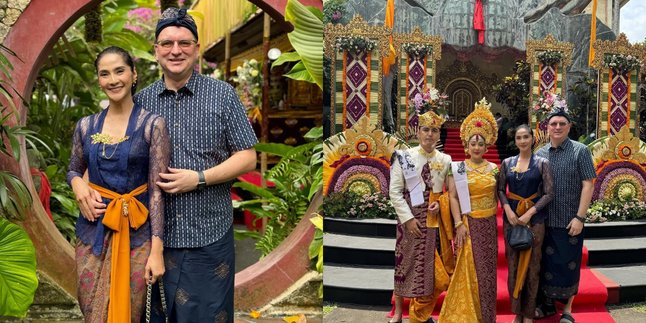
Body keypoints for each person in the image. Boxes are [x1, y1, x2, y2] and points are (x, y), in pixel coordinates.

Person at [134, 7, 258, 322]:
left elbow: (247, 156)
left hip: (210, 234)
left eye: (184, 43)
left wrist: (199, 178)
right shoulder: (141, 102)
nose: (176, 50)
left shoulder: (223, 95)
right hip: (153, 238)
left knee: (210, 316)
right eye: (167, 43)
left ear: (197, 49)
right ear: (156, 51)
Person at [68, 46, 169, 322]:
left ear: (134, 74)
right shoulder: (86, 126)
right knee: (91, 309)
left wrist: (157, 250)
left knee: (132, 311)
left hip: (137, 235)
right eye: (104, 73)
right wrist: (78, 184)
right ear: (98, 80)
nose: (113, 80)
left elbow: (158, 192)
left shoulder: (152, 125)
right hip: (92, 232)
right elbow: (74, 169)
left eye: (119, 71)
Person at [389, 106, 453, 323]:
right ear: (418, 132)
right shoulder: (404, 157)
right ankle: (398, 313)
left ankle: (421, 313)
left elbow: (448, 193)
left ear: (438, 134)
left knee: (432, 272)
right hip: (408, 219)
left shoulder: (445, 159)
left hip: (434, 221)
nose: (429, 134)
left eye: (434, 131)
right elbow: (395, 192)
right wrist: (407, 220)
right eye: (425, 129)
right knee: (404, 265)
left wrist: (440, 203)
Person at [439, 98, 499, 323]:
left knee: (486, 272)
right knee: (467, 269)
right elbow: (453, 197)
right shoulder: (458, 169)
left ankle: (486, 317)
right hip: (468, 224)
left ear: (486, 146)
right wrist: (458, 224)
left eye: (480, 143)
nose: (476, 147)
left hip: (489, 225)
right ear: (466, 145)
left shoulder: (495, 169)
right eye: (473, 143)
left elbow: (498, 196)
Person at [534, 109, 596, 323]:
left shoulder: (580, 151)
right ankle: (548, 305)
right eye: (553, 124)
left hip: (570, 220)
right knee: (545, 265)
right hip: (544, 221)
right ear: (547, 128)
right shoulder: (540, 154)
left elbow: (588, 184)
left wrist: (580, 217)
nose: (557, 127)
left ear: (569, 127)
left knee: (569, 264)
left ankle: (568, 310)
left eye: (562, 123)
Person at [497, 125, 554, 323]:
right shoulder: (507, 163)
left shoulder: (541, 163)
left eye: (526, 137)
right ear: (516, 140)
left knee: (533, 266)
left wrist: (531, 212)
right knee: (512, 266)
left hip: (535, 220)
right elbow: (500, 190)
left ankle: (529, 313)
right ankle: (517, 313)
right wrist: (507, 210)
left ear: (532, 139)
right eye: (519, 137)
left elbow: (549, 193)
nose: (522, 141)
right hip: (512, 219)